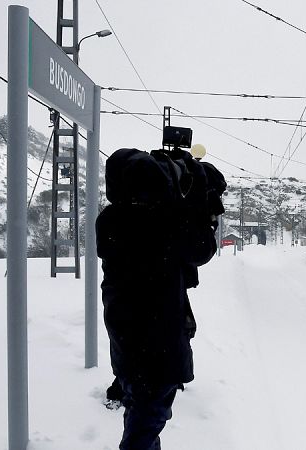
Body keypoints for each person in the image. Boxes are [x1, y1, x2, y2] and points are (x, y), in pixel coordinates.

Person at [97, 147, 226, 450]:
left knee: (139, 404)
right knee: (149, 416)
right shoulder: (165, 221)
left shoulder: (111, 218)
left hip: (125, 328)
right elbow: (201, 250)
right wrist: (195, 204)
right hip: (156, 336)